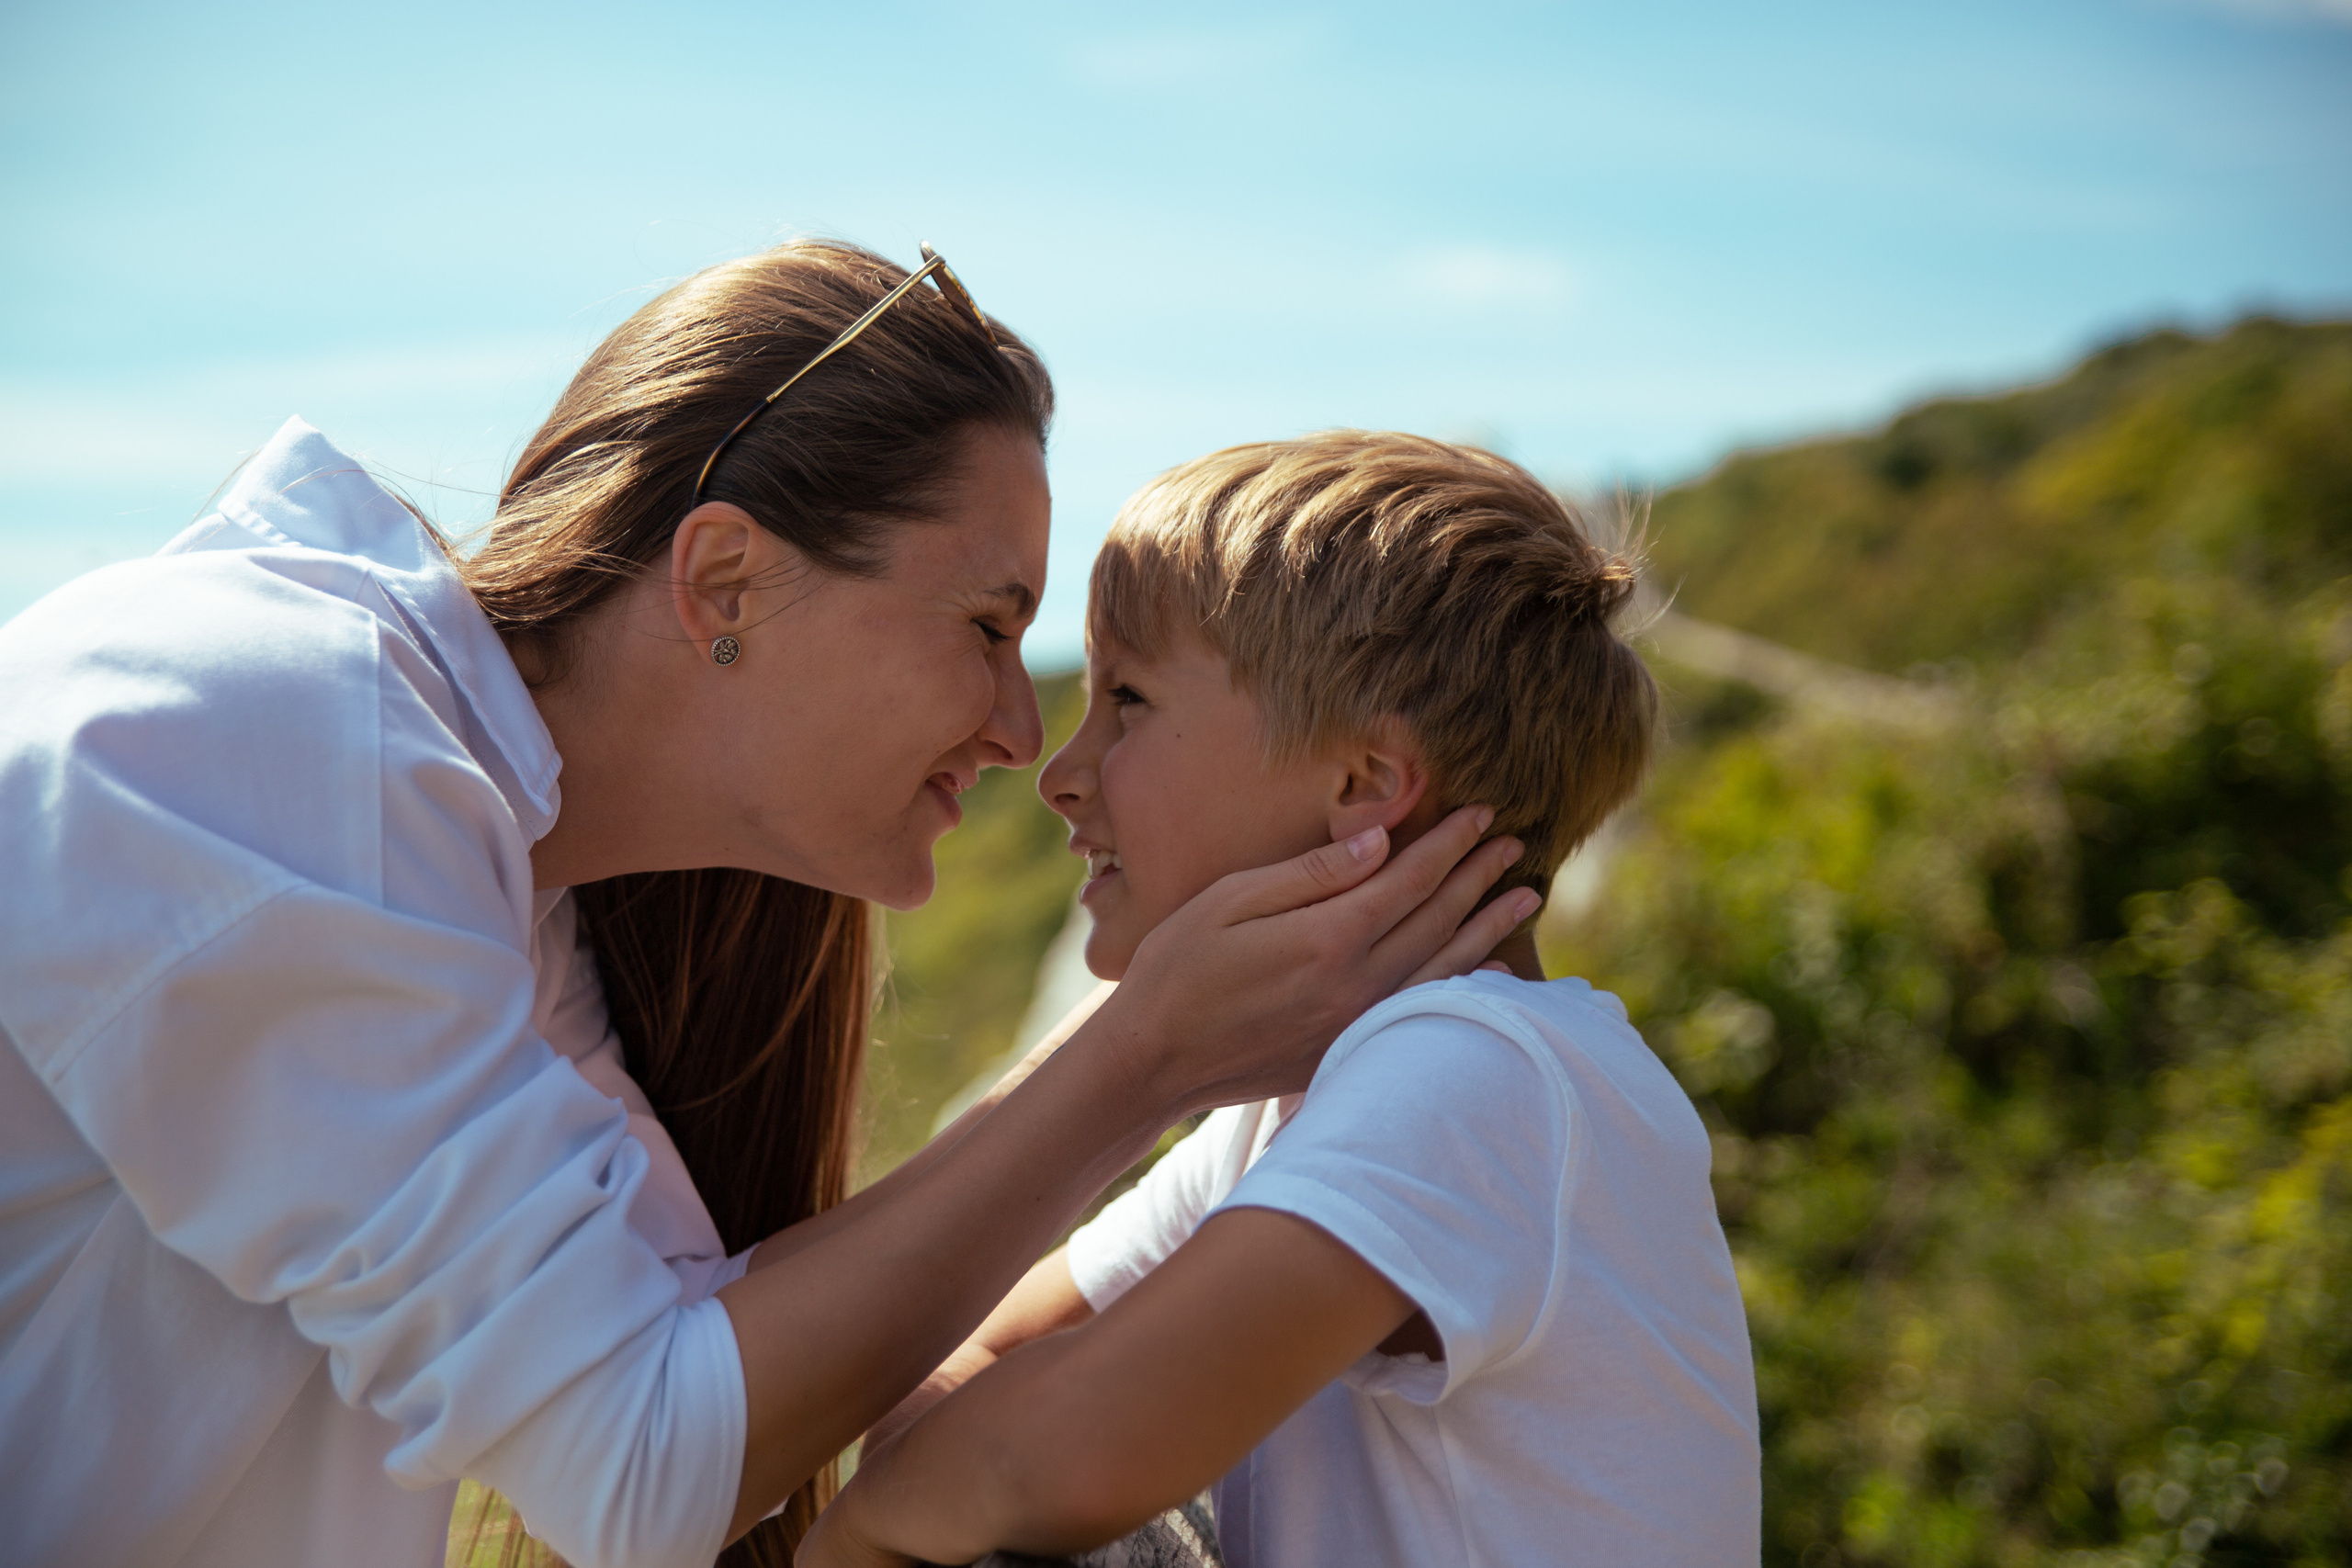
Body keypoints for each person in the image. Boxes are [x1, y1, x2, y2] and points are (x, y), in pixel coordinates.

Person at [0, 245, 1532, 1568]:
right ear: (725, 580)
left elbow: (697, 1355)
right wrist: (1146, 1058)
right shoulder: (270, 745)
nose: (1021, 729)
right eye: (990, 624)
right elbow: (640, 1461)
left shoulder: (484, 873)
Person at [801, 433, 1762, 1568]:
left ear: (1360, 786)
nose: (1063, 771)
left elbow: (1050, 1454)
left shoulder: (1484, 1070)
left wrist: (854, 1541)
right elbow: (966, 1372)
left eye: (1128, 699)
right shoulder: (1299, 1109)